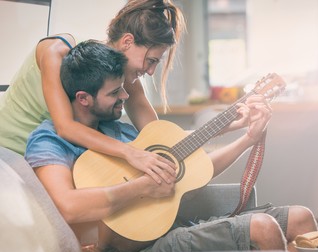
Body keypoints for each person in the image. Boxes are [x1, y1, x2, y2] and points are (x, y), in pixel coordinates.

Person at [25, 40, 318, 252]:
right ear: (83, 98)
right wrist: (142, 188)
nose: (125, 97)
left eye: (123, 88)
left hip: (175, 224)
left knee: (302, 218)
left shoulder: (119, 130)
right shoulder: (50, 139)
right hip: (133, 248)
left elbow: (188, 172)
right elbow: (68, 206)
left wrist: (247, 139)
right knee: (264, 228)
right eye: (115, 92)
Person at [0, 0, 188, 184]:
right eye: (151, 60)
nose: (150, 71)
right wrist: (130, 152)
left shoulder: (121, 74)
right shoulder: (56, 52)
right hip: (10, 152)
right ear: (127, 42)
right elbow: (65, 127)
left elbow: (155, 134)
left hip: (57, 159)